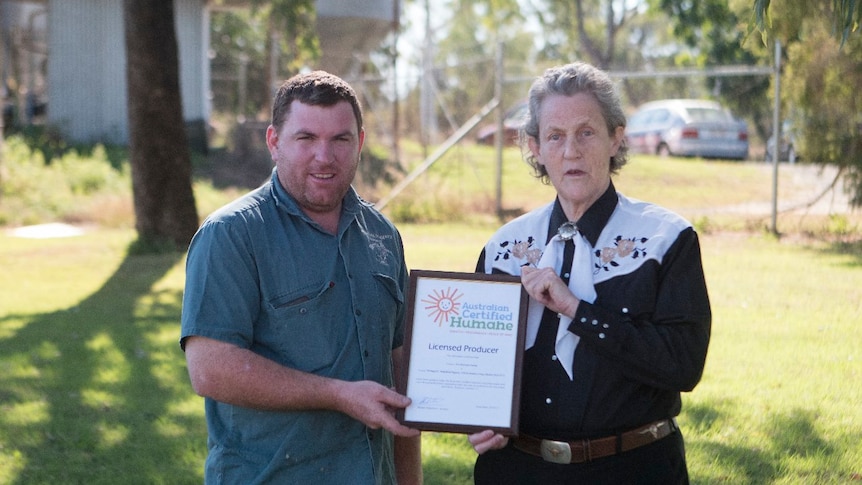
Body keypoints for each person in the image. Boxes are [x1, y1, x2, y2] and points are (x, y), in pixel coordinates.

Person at [468, 62, 711, 484]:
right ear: (535, 148)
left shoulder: (666, 238)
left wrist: (576, 309)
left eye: (586, 132)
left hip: (633, 469)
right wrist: (476, 415)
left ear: (616, 137)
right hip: (517, 470)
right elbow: (474, 365)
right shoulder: (503, 249)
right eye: (555, 136)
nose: (570, 151)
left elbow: (683, 365)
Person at [180, 71, 421, 484]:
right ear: (274, 142)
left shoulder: (384, 235)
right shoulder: (232, 235)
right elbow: (210, 368)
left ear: (360, 142)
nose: (324, 157)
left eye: (340, 139)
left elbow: (403, 374)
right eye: (306, 138)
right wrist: (338, 395)